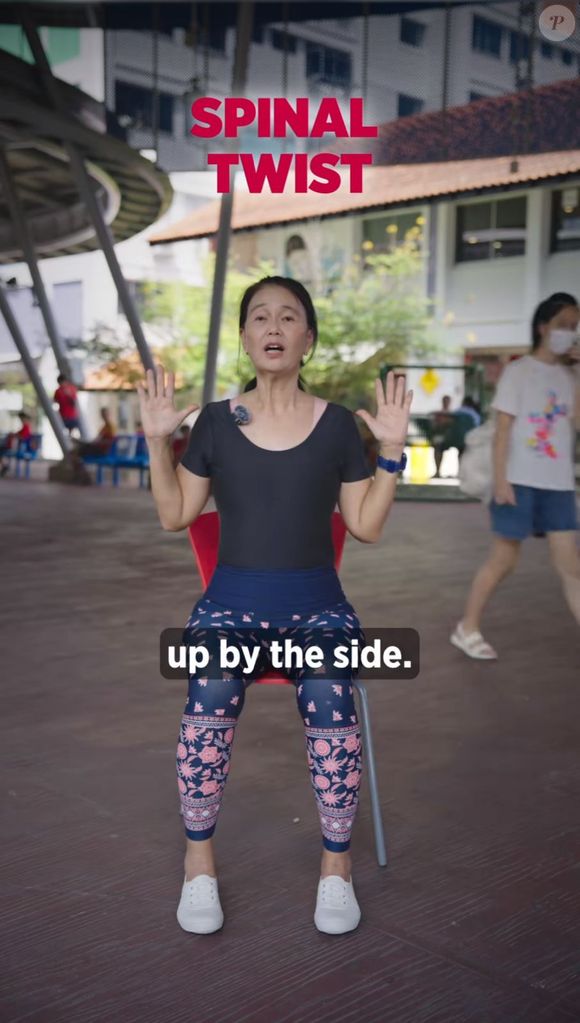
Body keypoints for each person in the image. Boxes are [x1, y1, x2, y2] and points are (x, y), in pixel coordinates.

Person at [138, 275, 413, 936]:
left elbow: (366, 525)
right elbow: (177, 513)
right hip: (229, 607)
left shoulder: (340, 425)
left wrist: (394, 455)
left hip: (318, 610)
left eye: (288, 316)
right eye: (259, 315)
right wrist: (155, 441)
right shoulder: (215, 421)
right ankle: (197, 862)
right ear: (244, 336)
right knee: (208, 691)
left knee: (331, 690)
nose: (273, 326)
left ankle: (336, 868)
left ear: (306, 338)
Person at [451, 292, 580, 660]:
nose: (570, 333)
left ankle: (468, 627)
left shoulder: (569, 375)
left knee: (572, 566)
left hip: (558, 484)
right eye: (563, 325)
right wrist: (502, 480)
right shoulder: (519, 371)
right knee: (504, 559)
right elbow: (503, 429)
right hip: (519, 480)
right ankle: (467, 627)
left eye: (575, 327)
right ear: (543, 327)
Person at [0, 412, 32, 477]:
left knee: (1, 451)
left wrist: (15, 435)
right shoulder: (24, 427)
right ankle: (3, 466)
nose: (21, 420)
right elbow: (18, 434)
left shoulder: (26, 427)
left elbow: (23, 437)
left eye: (21, 419)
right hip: (19, 446)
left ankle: (4, 466)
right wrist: (14, 434)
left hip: (22, 448)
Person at [431, 395, 454, 478]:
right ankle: (437, 471)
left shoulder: (452, 414)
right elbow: (434, 426)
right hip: (440, 437)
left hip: (451, 438)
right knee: (437, 447)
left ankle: (438, 471)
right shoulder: (439, 414)